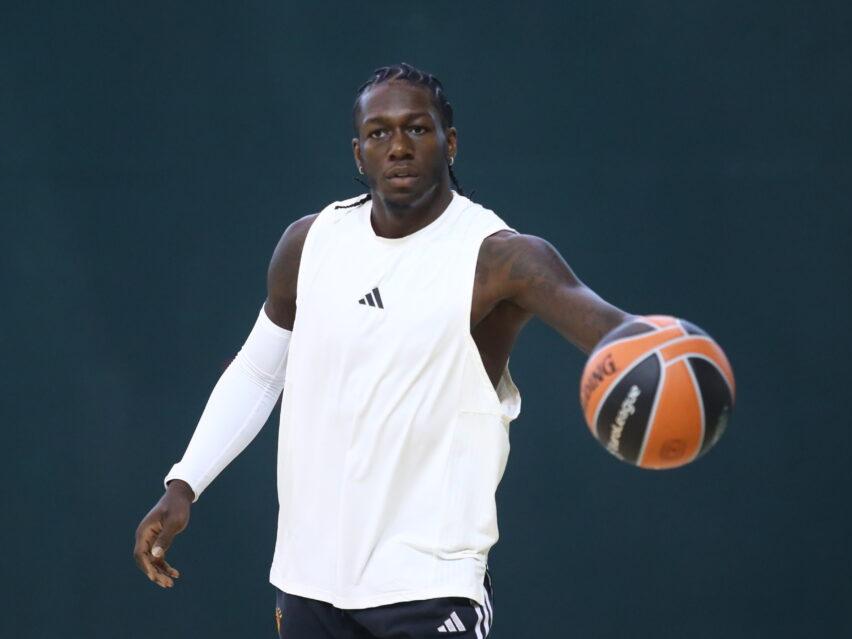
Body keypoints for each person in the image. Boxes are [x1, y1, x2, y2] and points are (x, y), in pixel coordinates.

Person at [133, 62, 632, 638]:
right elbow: (258, 373)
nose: (398, 147)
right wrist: (184, 483)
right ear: (358, 153)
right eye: (379, 133)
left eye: (417, 129)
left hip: (429, 588)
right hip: (308, 584)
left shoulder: (500, 258)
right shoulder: (309, 243)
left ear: (450, 143)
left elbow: (615, 331)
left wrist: (672, 356)